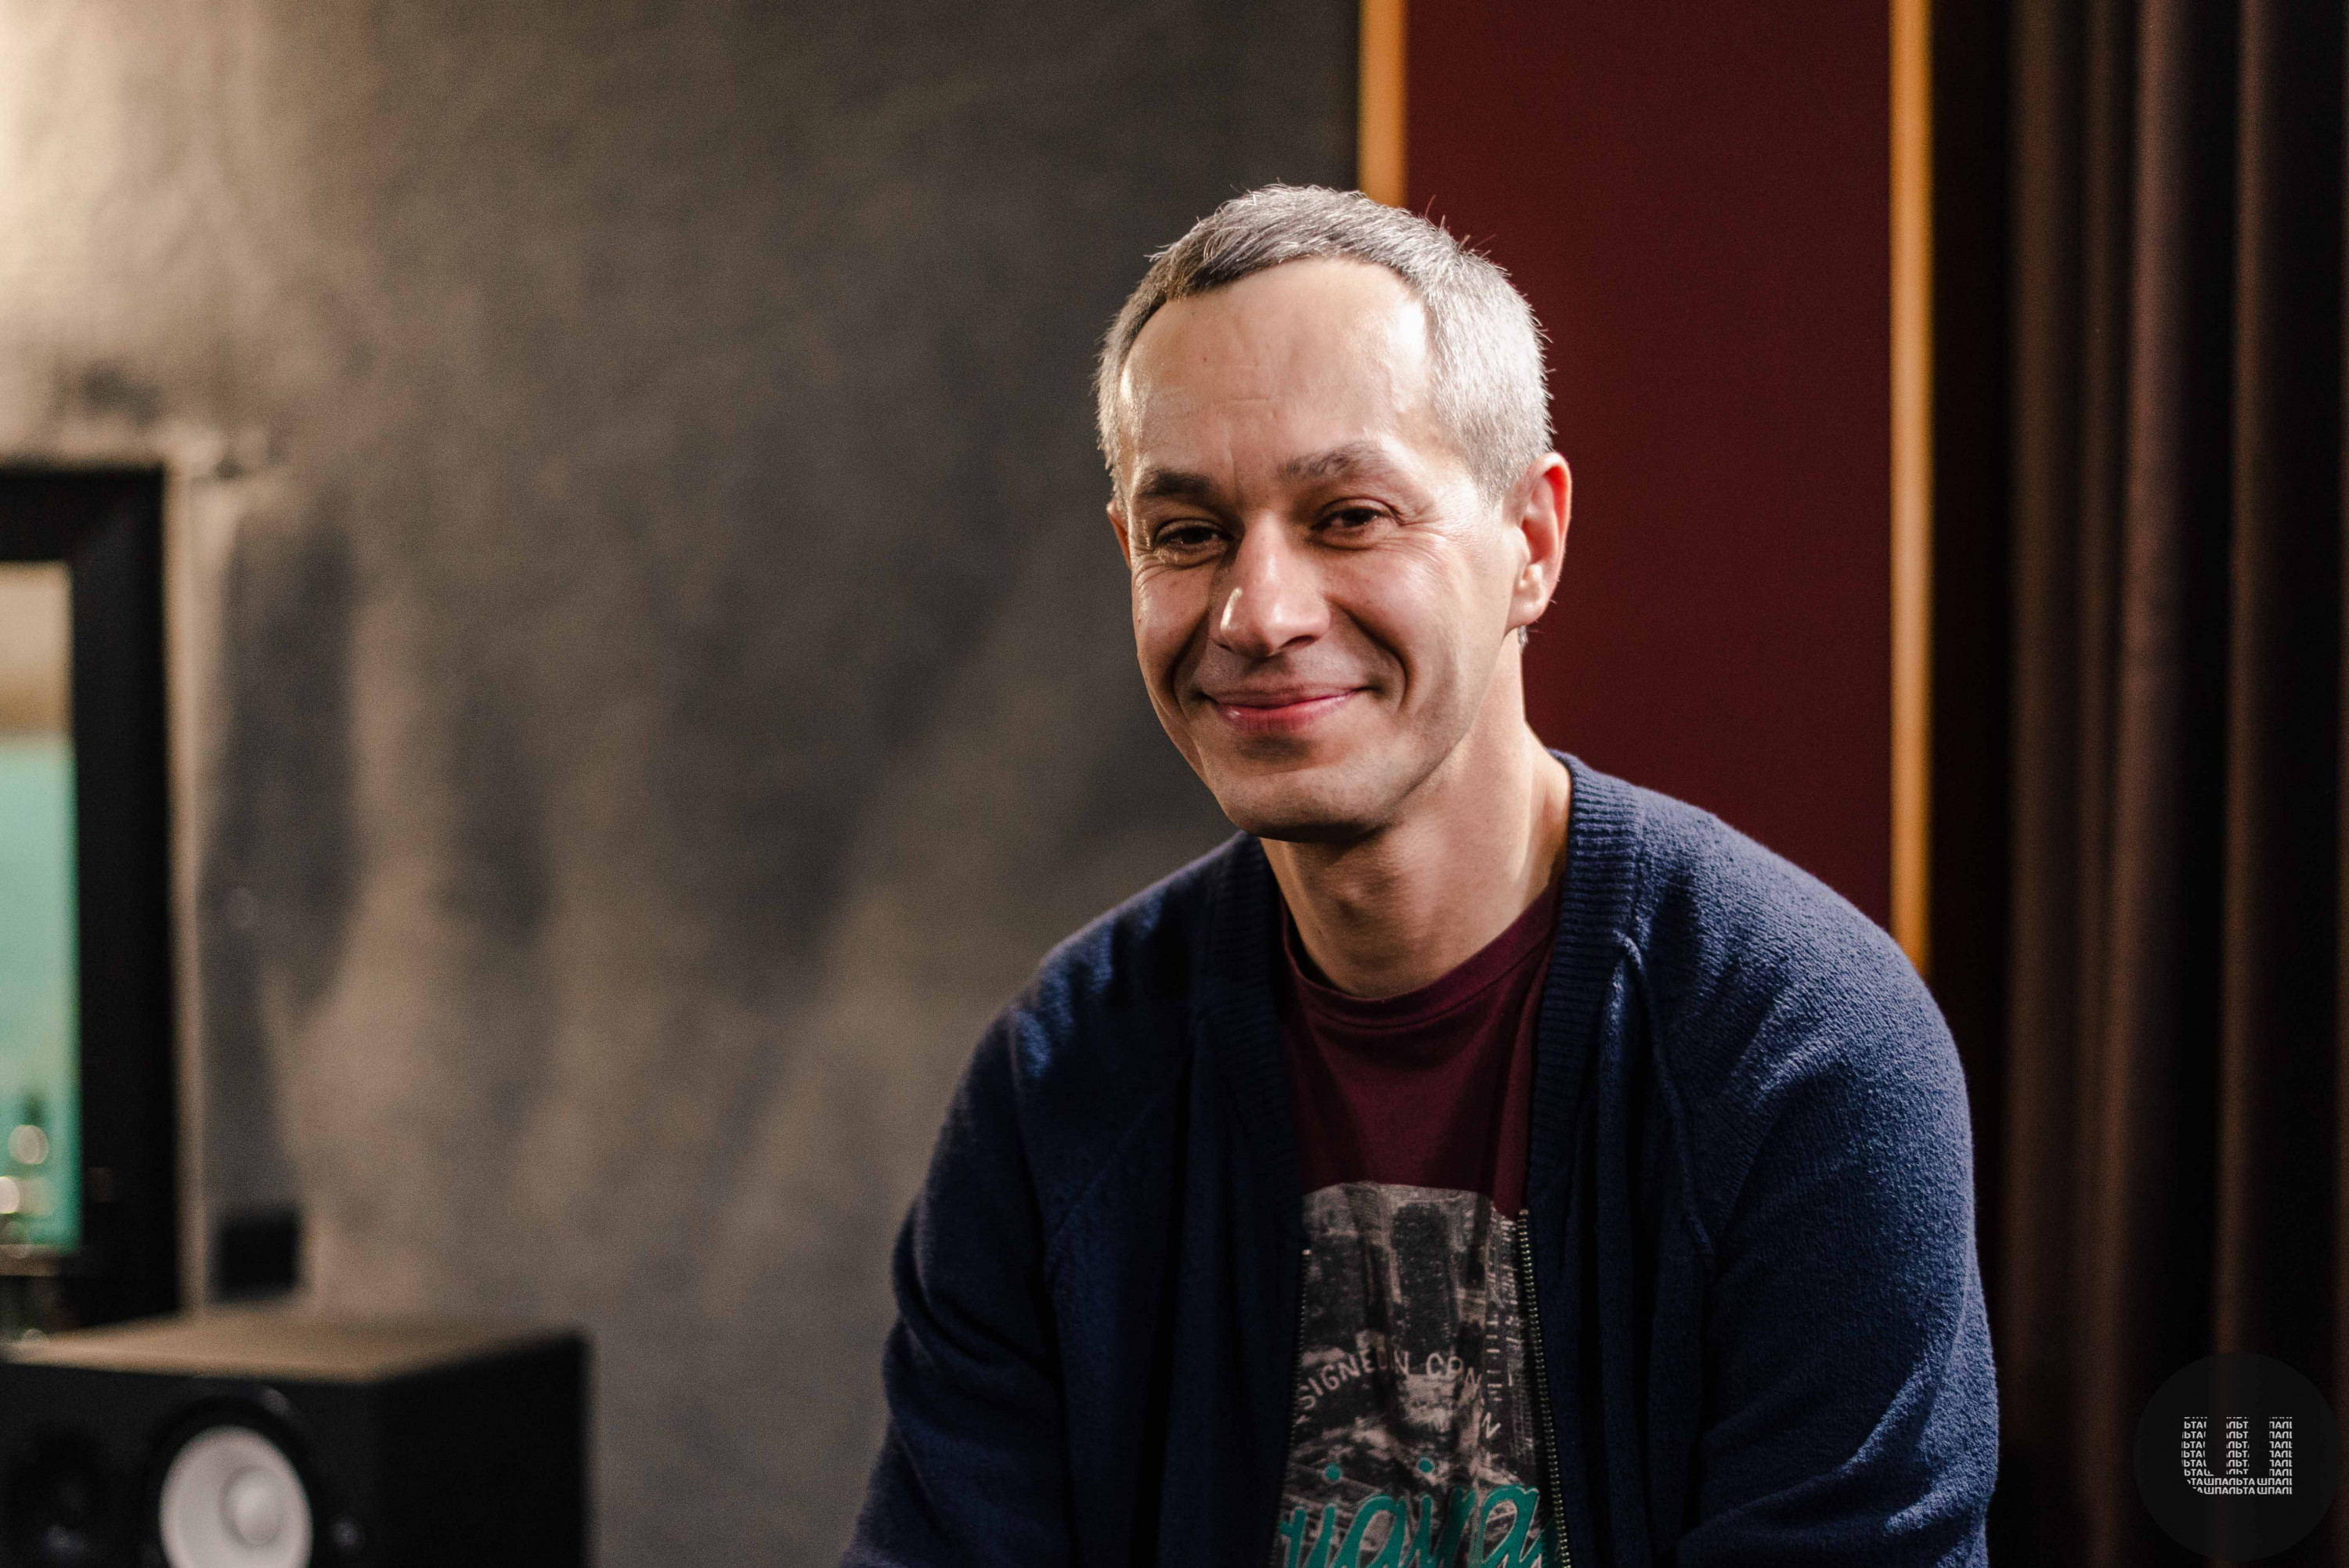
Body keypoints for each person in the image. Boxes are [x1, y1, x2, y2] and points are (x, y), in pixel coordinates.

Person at [843, 186, 1996, 1567]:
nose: (1259, 615)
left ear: (1533, 543)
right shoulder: (1062, 1079)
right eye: (1189, 534)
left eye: (1349, 515)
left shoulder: (1802, 1051)